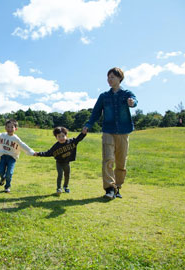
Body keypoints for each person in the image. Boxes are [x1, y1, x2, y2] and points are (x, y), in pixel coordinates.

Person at [82, 67, 138, 200]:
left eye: (112, 77)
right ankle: (109, 189)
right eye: (108, 77)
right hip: (108, 131)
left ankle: (118, 187)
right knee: (108, 159)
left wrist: (132, 103)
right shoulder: (104, 96)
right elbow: (95, 113)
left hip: (124, 132)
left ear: (120, 78)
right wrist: (88, 125)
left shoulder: (126, 93)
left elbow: (134, 100)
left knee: (121, 162)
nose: (109, 79)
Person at [0, 119, 35, 193]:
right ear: (5, 128)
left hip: (12, 158)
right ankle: (3, 178)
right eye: (8, 127)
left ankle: (7, 186)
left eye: (12, 127)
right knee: (0, 171)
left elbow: (23, 145)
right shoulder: (2, 135)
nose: (10, 129)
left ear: (15, 129)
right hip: (3, 156)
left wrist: (32, 152)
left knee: (9, 173)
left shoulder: (15, 138)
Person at [34, 127, 86, 195]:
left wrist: (83, 133)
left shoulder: (71, 142)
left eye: (63, 136)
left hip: (67, 163)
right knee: (60, 175)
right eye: (59, 136)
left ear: (66, 135)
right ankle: (59, 188)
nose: (61, 138)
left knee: (67, 175)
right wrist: (38, 154)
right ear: (56, 137)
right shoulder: (56, 146)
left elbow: (78, 139)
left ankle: (65, 187)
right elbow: (48, 153)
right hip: (59, 163)